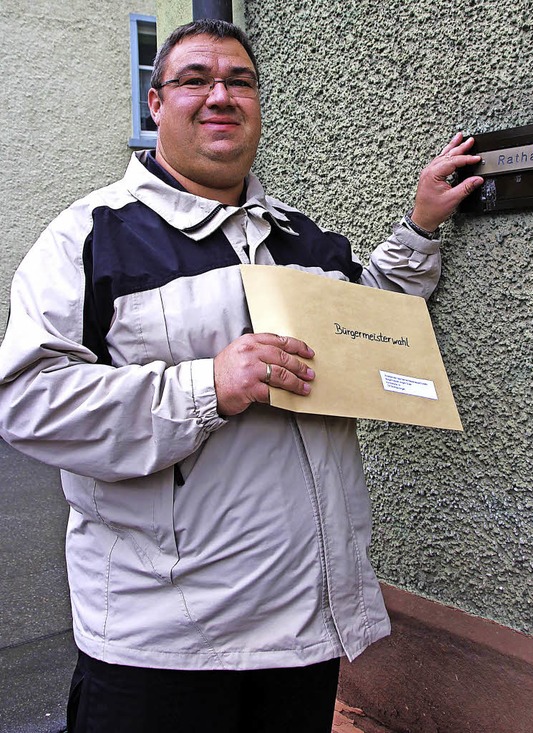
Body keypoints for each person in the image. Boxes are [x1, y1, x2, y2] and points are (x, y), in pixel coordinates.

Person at [0, 19, 483, 733]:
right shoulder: (89, 237)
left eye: (240, 81)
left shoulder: (302, 239)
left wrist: (419, 228)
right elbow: (29, 400)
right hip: (160, 647)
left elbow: (370, 332)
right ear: (156, 105)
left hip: (301, 631)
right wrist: (209, 386)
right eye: (195, 79)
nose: (220, 95)